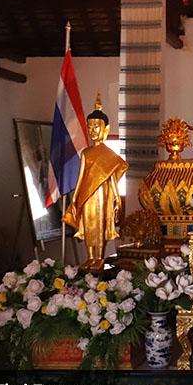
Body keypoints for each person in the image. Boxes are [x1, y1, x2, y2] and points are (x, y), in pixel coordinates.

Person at [63, 94, 128, 270]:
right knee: (89, 225)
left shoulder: (109, 155)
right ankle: (90, 257)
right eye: (90, 126)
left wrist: (116, 200)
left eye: (96, 126)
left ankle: (99, 257)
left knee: (99, 225)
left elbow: (113, 180)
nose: (93, 130)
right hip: (87, 194)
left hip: (102, 194)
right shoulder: (86, 153)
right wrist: (75, 199)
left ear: (105, 129)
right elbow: (81, 177)